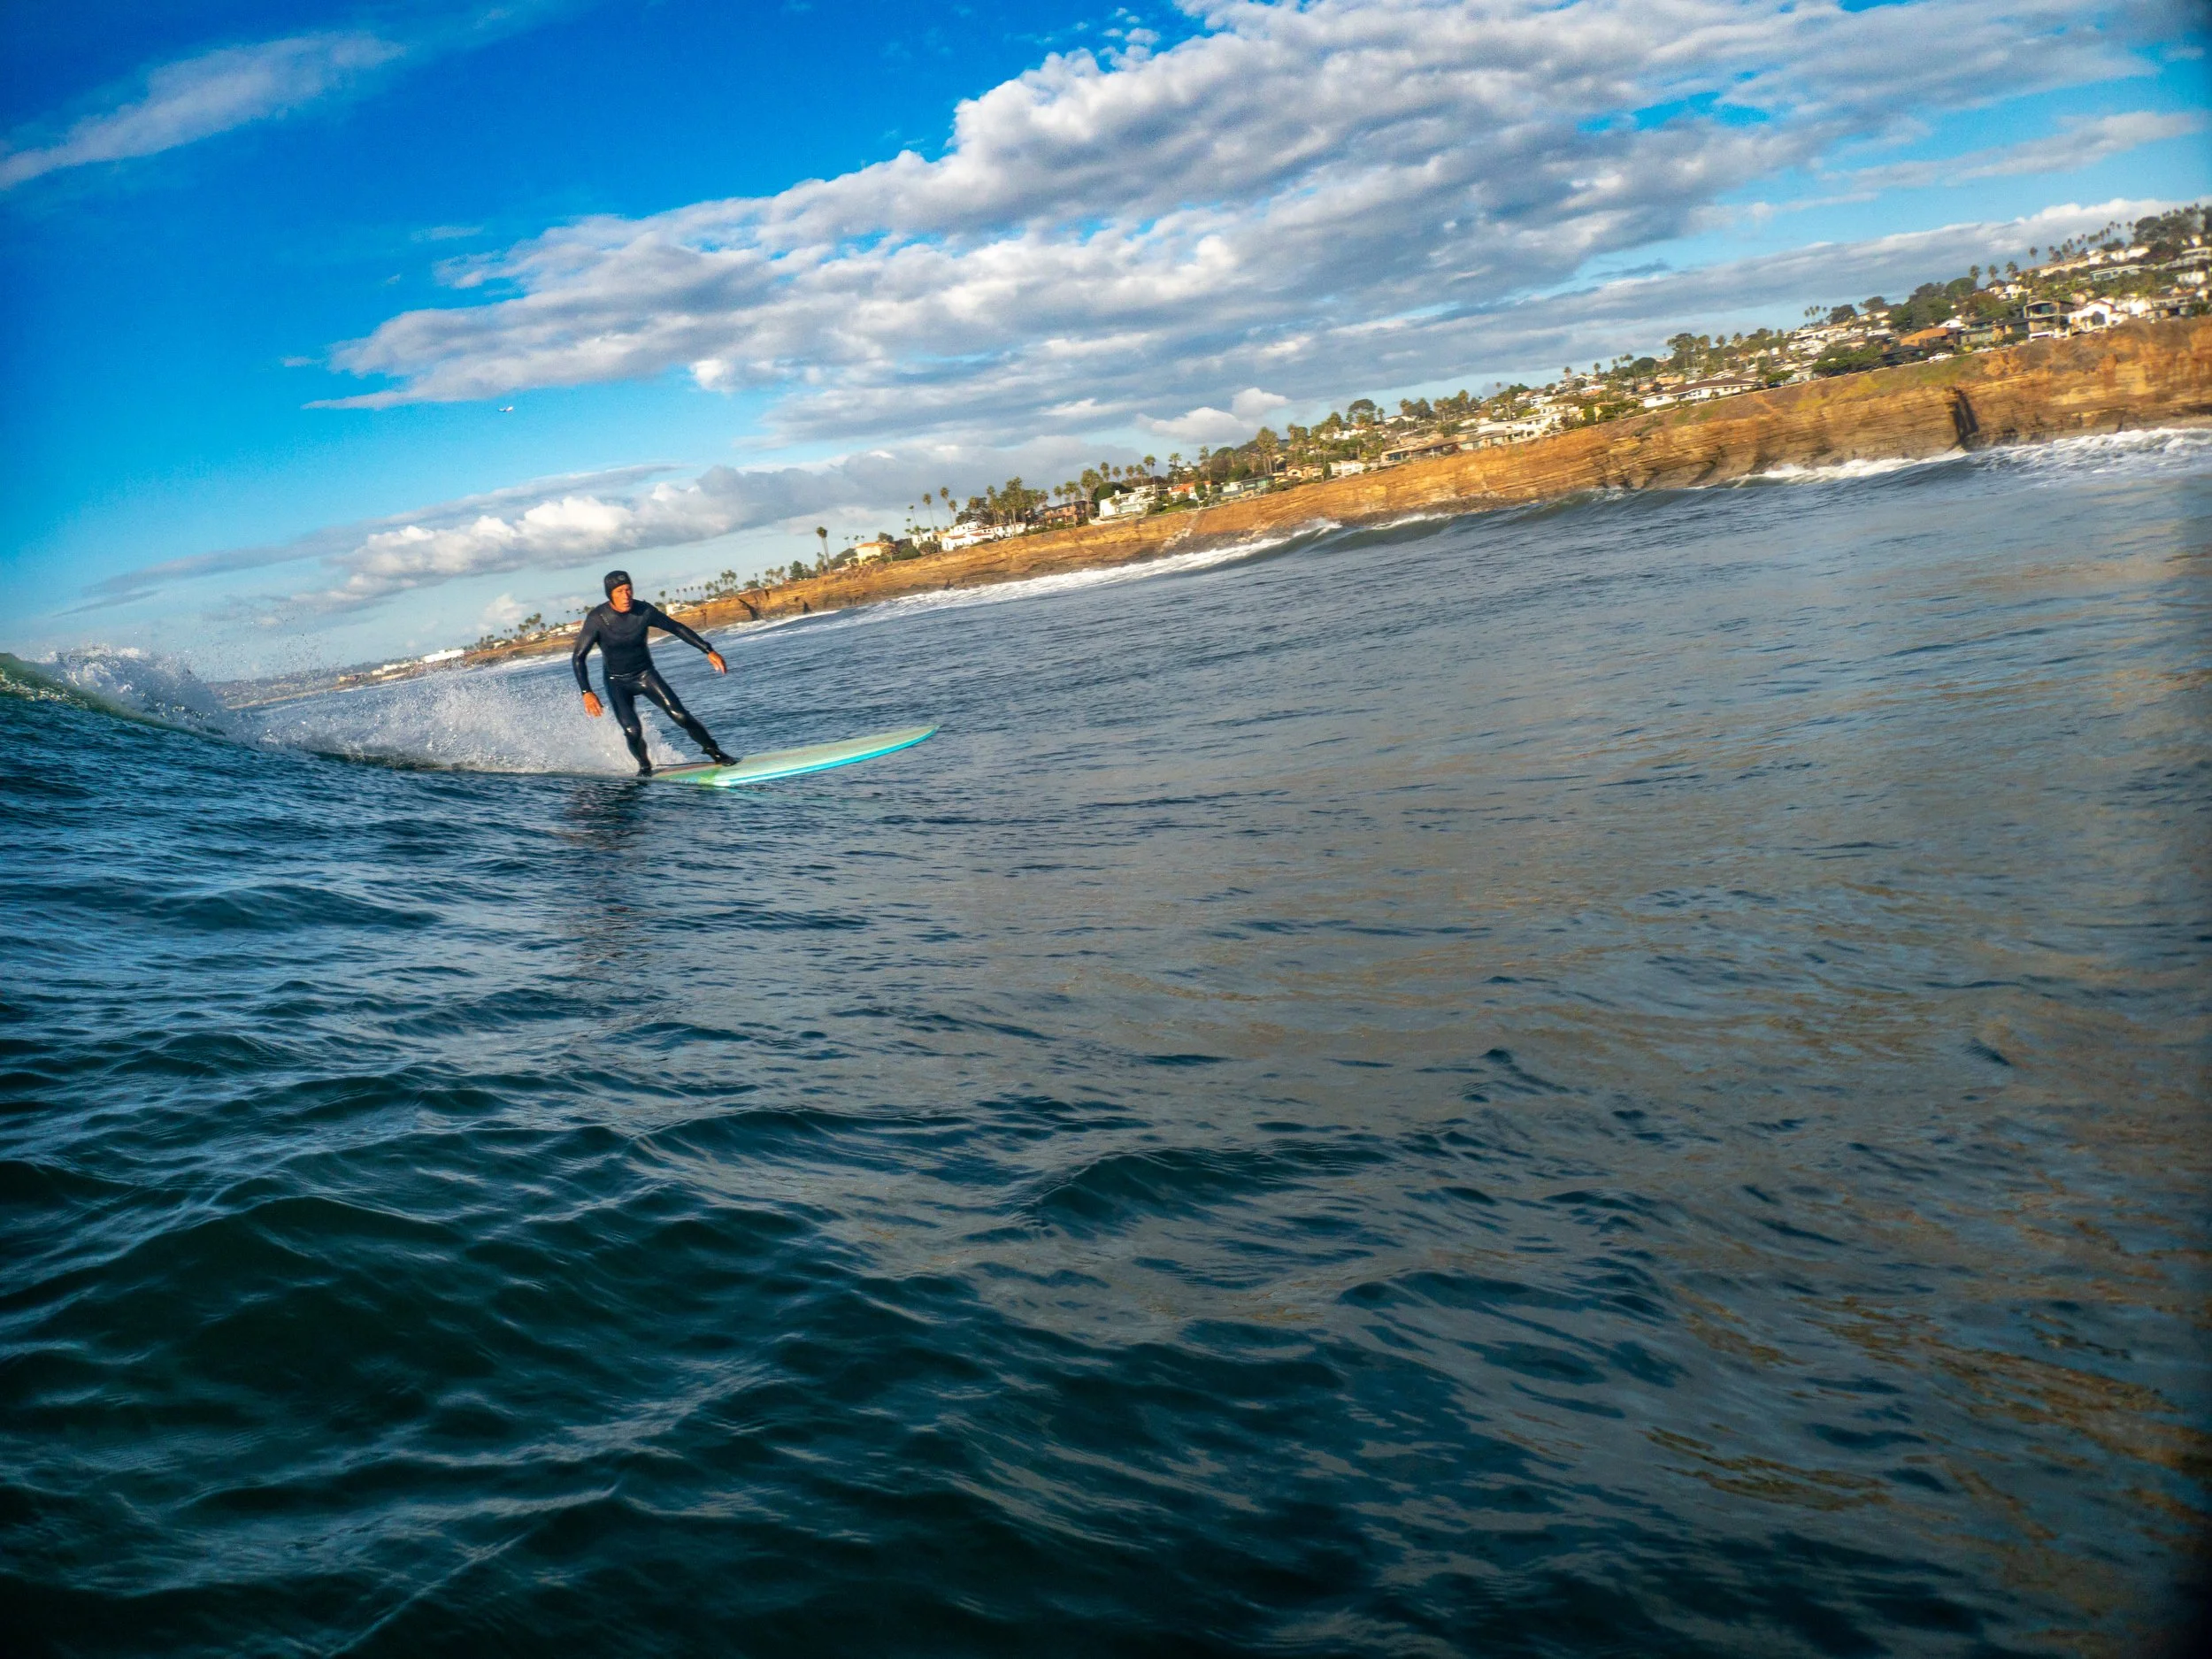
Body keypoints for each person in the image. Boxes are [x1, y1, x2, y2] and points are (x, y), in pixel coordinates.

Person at [572, 570, 734, 775]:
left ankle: (715, 752)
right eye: (620, 591)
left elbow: (676, 628)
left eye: (628, 589)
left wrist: (707, 650)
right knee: (632, 731)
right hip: (617, 682)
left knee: (680, 716)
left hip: (645, 674)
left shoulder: (644, 611)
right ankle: (645, 766)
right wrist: (586, 692)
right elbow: (578, 657)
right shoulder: (597, 619)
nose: (626, 595)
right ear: (610, 594)